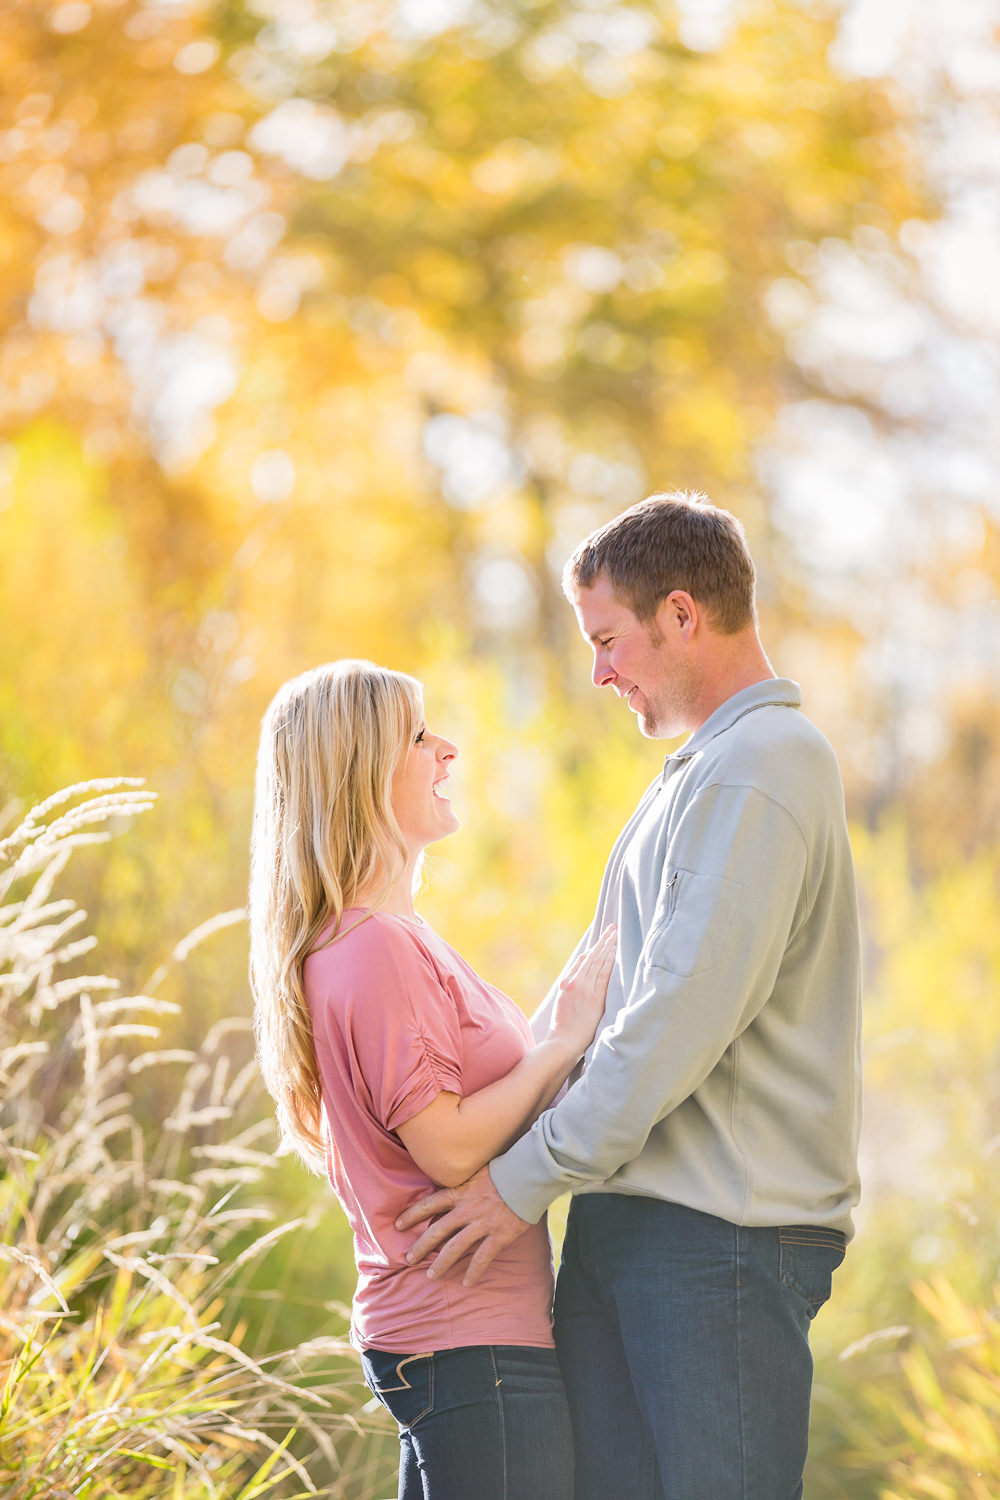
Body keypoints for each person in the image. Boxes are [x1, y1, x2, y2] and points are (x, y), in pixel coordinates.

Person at [397, 492, 862, 1500]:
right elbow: (592, 1000)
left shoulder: (761, 767)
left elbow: (674, 1019)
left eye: (608, 639)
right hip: (636, 1229)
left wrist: (520, 1180)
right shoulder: (692, 778)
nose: (599, 670)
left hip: (716, 1245)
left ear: (682, 615)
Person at [248, 658, 616, 1500]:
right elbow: (447, 1145)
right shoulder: (375, 948)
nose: (446, 750)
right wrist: (558, 1047)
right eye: (419, 736)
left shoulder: (376, 939)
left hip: (457, 1348)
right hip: (471, 1350)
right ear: (361, 770)